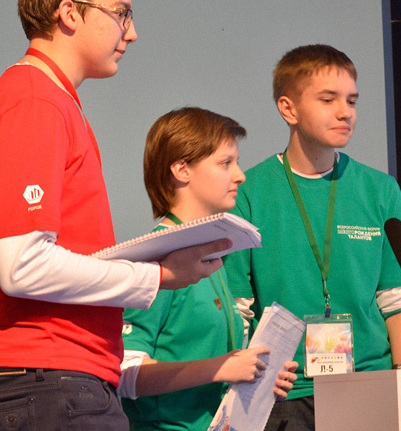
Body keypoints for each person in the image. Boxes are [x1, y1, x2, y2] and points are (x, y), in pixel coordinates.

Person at [0, 0, 228, 430]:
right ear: (69, 13)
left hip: (59, 383)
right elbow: (23, 266)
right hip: (47, 382)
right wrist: (156, 276)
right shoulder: (35, 101)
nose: (132, 31)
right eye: (120, 12)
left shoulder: (52, 102)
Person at [223, 44, 401, 430]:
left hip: (370, 383)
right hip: (283, 394)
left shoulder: (380, 190)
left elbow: (398, 302)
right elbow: (238, 311)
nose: (345, 112)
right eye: (328, 99)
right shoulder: (248, 192)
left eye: (351, 100)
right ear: (288, 109)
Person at [118, 107, 298, 430]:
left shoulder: (211, 260)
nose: (240, 175)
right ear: (181, 169)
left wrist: (256, 373)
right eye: (225, 163)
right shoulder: (153, 258)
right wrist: (220, 368)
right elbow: (125, 374)